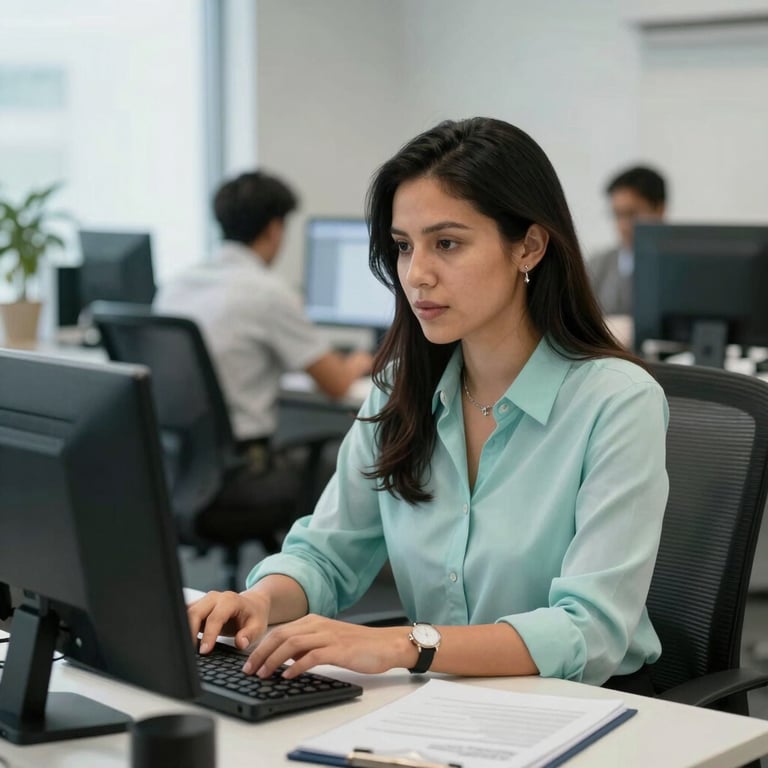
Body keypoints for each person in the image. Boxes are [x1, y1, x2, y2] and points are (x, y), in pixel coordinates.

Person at [188, 118, 669, 690]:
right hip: (440, 706)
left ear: (529, 247)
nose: (416, 275)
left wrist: (403, 644)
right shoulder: (401, 388)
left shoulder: (615, 402)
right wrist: (259, 601)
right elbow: (327, 555)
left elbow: (590, 629)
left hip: (581, 711)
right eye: (402, 247)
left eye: (447, 243)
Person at [154, 170, 373, 451]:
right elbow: (337, 384)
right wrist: (357, 362)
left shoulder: (174, 286)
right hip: (242, 464)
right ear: (274, 229)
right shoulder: (268, 293)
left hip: (178, 462)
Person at [589, 165, 667, 317]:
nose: (624, 225)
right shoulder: (597, 265)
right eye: (617, 215)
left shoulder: (678, 268)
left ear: (659, 209)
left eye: (632, 214)